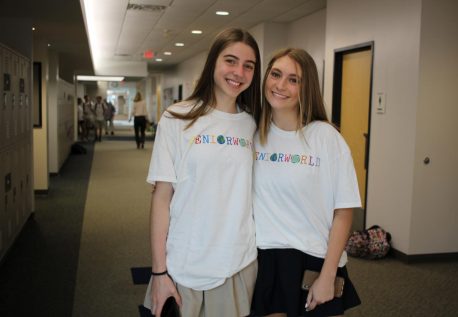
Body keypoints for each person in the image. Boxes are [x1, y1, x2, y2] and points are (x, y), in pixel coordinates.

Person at [143, 27, 261, 317]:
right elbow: (161, 199)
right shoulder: (176, 119)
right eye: (230, 61)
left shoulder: (254, 125)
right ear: (213, 63)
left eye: (249, 66)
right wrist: (159, 272)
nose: (239, 72)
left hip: (237, 262)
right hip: (184, 263)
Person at [251, 48, 361, 317]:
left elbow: (344, 212)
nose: (280, 85)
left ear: (306, 86)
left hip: (315, 260)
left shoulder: (325, 137)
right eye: (275, 74)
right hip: (265, 259)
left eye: (293, 79)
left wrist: (328, 274)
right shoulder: (251, 133)